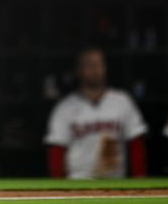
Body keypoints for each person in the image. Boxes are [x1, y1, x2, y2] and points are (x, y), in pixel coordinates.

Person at [45, 47, 148, 179]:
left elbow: (136, 144)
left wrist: (139, 181)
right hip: (77, 183)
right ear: (78, 70)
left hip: (116, 183)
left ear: (105, 68)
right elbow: (56, 151)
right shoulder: (64, 108)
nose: (94, 69)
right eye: (88, 64)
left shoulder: (122, 101)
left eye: (98, 64)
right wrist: (59, 188)